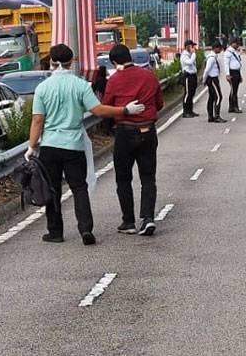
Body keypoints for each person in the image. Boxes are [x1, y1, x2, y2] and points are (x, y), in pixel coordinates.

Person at [26, 44, 145, 245]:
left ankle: (55, 231)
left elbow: (37, 120)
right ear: (72, 61)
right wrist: (125, 110)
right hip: (74, 144)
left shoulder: (43, 88)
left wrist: (31, 146)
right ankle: (85, 229)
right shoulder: (80, 85)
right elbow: (98, 110)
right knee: (79, 187)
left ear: (52, 62)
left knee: (52, 188)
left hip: (50, 145)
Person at [102, 44, 164, 237]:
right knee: (147, 177)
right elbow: (159, 102)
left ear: (114, 62)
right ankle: (147, 218)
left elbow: (107, 106)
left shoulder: (114, 80)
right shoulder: (149, 75)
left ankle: (128, 221)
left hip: (125, 131)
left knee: (123, 177)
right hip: (148, 130)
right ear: (130, 56)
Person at [204, 42, 226, 123]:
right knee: (219, 97)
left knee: (212, 98)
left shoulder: (213, 56)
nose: (221, 50)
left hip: (213, 79)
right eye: (220, 48)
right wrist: (204, 79)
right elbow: (207, 70)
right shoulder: (212, 58)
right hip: (212, 79)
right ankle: (216, 116)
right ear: (215, 48)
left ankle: (210, 116)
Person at [180, 40, 199, 118]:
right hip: (187, 76)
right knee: (187, 94)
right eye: (192, 46)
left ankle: (190, 110)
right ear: (188, 47)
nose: (193, 48)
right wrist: (194, 53)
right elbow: (190, 62)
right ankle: (185, 111)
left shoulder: (190, 54)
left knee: (191, 94)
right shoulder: (184, 55)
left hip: (193, 75)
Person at [224, 38, 244, 114]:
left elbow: (237, 62)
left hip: (237, 72)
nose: (238, 45)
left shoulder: (234, 52)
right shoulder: (228, 52)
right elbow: (226, 64)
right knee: (234, 90)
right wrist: (227, 74)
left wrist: (240, 75)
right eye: (237, 44)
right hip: (232, 73)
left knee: (234, 90)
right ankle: (234, 106)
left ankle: (231, 106)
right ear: (232, 43)